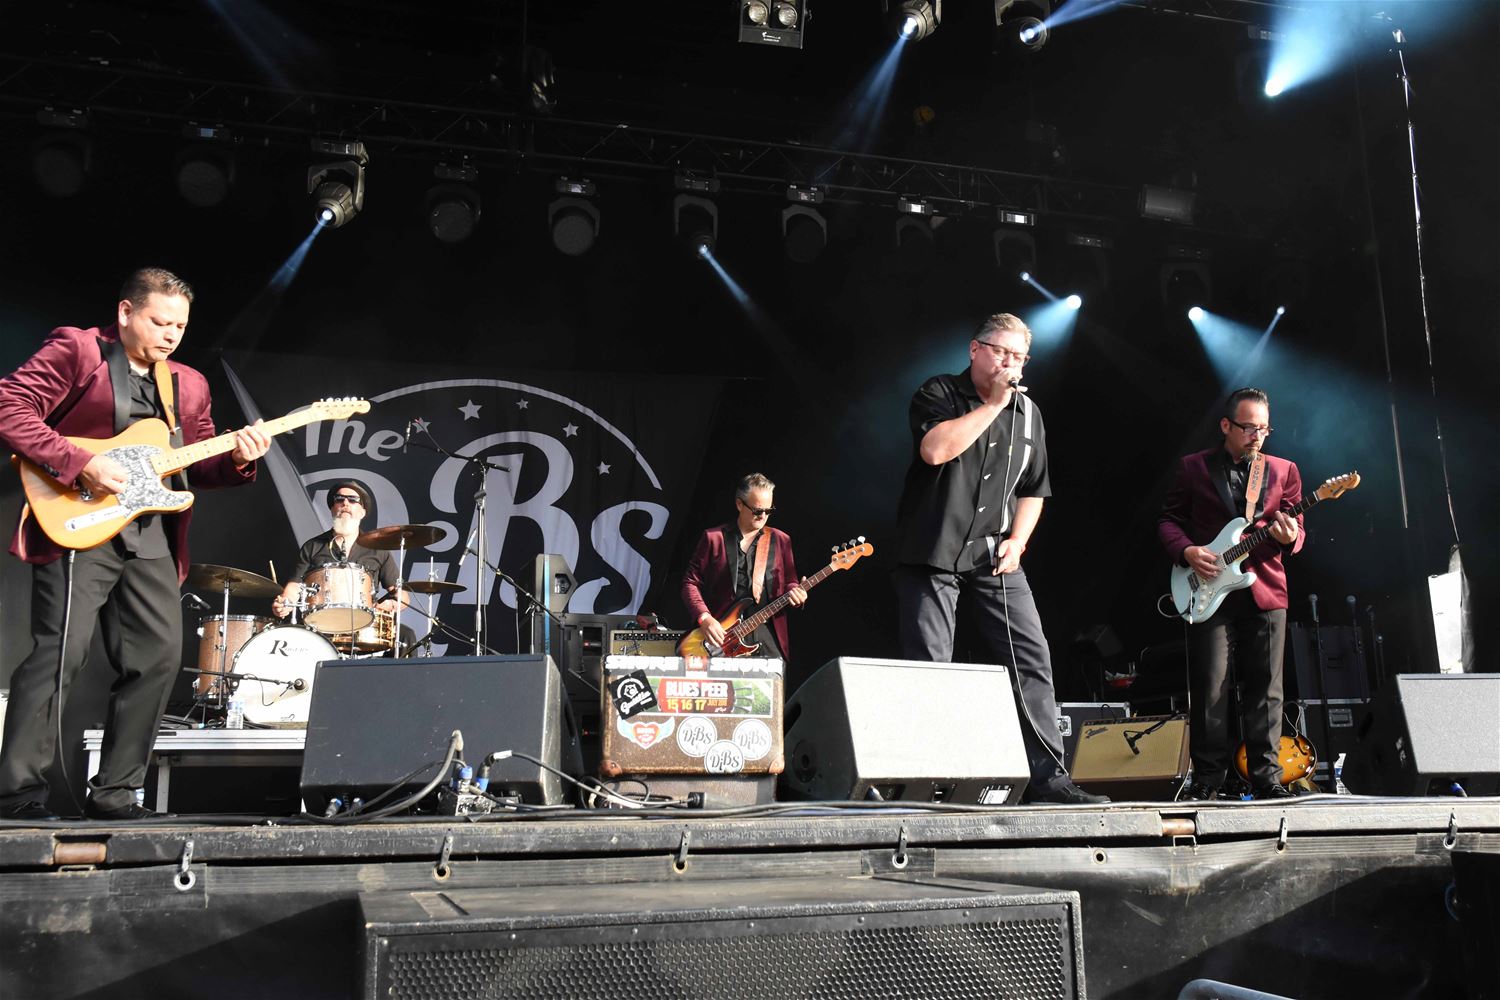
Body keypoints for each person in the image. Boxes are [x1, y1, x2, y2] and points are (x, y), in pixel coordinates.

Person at [0, 268, 270, 821]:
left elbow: (197, 464)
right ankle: (17, 794)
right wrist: (82, 462)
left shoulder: (188, 383)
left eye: (181, 327)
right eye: (160, 322)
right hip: (78, 520)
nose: (171, 335)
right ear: (125, 312)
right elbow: (8, 406)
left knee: (158, 657)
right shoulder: (79, 351)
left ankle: (117, 794)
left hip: (149, 534)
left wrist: (239, 459)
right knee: (60, 655)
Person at [893, 313, 1106, 805]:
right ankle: (929, 783)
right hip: (932, 550)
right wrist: (992, 406)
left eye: (1019, 357)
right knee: (930, 668)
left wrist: (1019, 540)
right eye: (1002, 352)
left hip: (994, 554)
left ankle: (1048, 780)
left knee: (1032, 657)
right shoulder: (939, 392)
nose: (1011, 364)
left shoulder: (1029, 413)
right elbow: (934, 451)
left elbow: (1035, 488)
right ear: (975, 349)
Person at [1159, 387, 1303, 801]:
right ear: (1226, 425)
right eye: (1249, 428)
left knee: (1267, 687)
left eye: (1264, 429)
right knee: (1211, 686)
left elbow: (1297, 532)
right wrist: (1187, 551)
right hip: (1208, 587)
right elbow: (1168, 521)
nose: (1258, 436)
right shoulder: (1193, 467)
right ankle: (1208, 779)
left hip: (1265, 587)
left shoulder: (1284, 470)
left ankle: (1267, 778)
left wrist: (1290, 538)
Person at [272, 480, 411, 650]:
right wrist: (284, 604)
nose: (345, 503)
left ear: (362, 512)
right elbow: (294, 586)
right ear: (332, 508)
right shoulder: (313, 546)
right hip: (321, 621)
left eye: (353, 500)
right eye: (339, 499)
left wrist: (388, 605)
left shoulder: (378, 549)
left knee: (406, 636)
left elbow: (402, 597)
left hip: (365, 623)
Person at [681, 473, 807, 660]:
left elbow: (790, 581)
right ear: (739, 504)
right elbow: (690, 583)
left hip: (767, 634)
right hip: (722, 637)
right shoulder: (714, 538)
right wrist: (704, 618)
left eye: (768, 510)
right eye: (757, 510)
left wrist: (796, 592)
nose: (763, 516)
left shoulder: (781, 540)